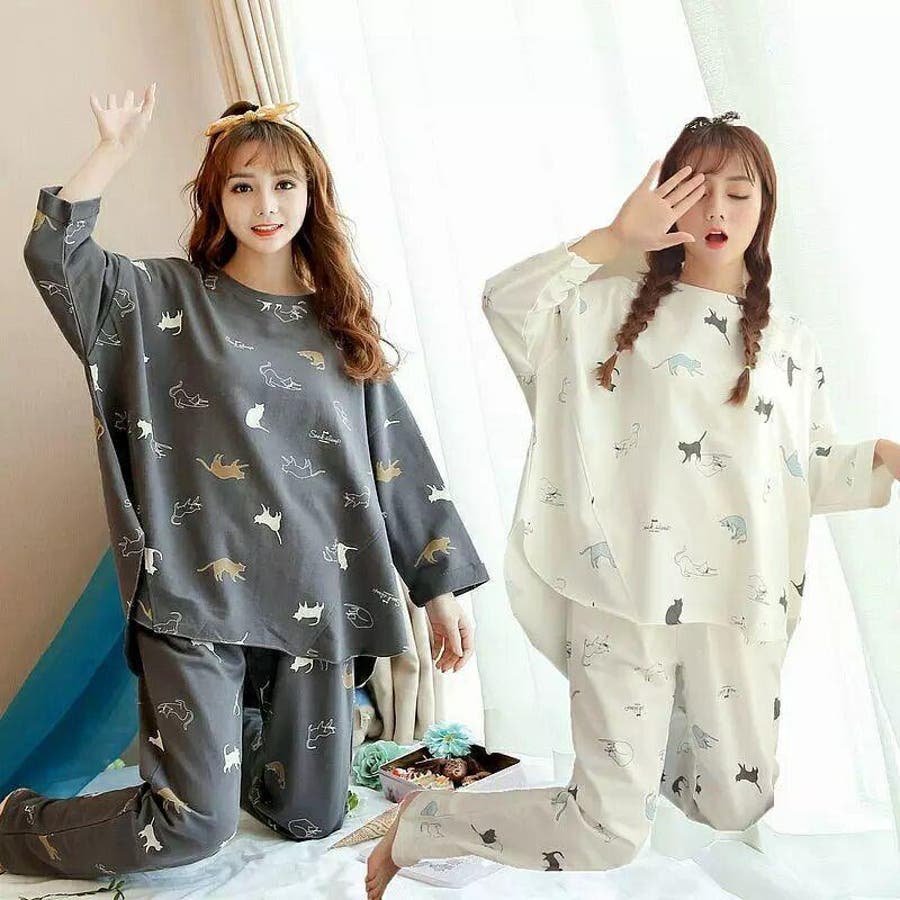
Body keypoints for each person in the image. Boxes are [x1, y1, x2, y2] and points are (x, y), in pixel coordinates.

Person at [365, 112, 899, 898]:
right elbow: (506, 303)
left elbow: (803, 473)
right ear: (668, 198)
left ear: (765, 210)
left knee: (738, 799)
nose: (717, 210)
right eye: (697, 190)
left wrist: (880, 458)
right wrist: (614, 239)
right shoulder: (606, 310)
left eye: (739, 193)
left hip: (736, 605)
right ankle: (429, 821)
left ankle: (637, 758)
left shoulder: (791, 343)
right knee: (606, 835)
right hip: (619, 593)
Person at [0, 84, 487, 878]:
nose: (266, 205)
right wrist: (112, 153)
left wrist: (439, 588)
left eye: (284, 184)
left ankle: (242, 740)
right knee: (193, 828)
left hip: (316, 595)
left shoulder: (339, 323)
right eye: (243, 186)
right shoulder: (165, 297)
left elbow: (396, 459)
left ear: (311, 194)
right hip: (197, 588)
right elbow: (54, 259)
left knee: (310, 817)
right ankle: (13, 825)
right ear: (216, 199)